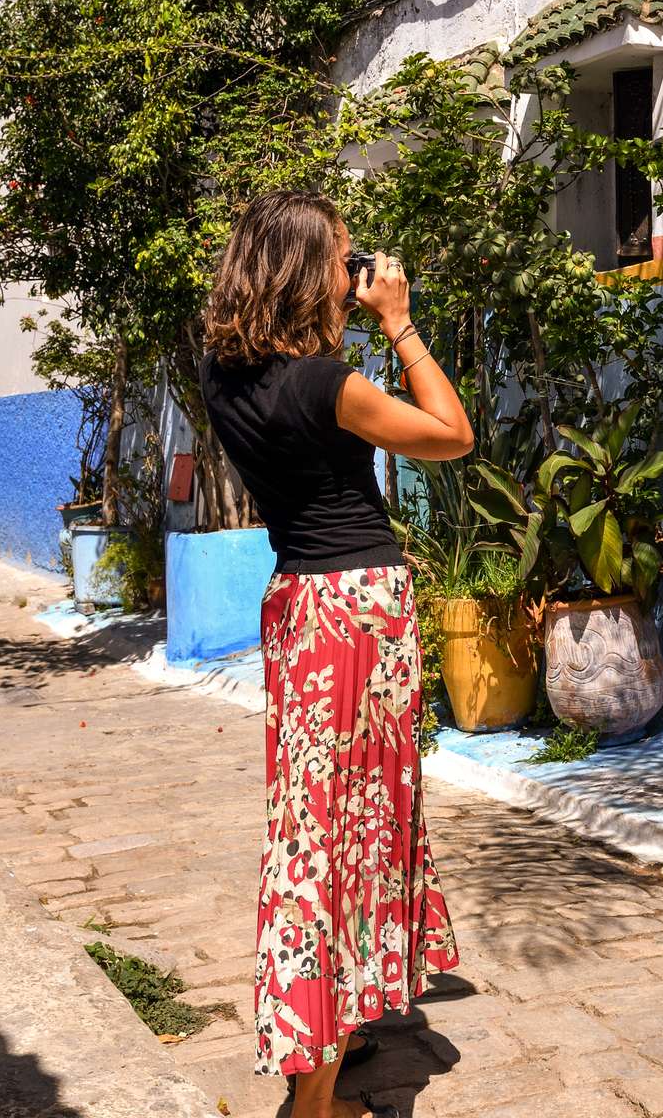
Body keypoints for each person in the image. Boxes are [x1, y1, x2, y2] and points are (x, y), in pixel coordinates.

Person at [200, 190, 473, 1118]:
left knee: (322, 826)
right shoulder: (327, 388)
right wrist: (399, 324)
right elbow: (451, 434)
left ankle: (334, 1040)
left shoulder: (221, 377)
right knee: (341, 843)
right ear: (305, 272)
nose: (353, 272)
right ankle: (311, 1102)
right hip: (358, 612)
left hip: (297, 609)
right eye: (341, 258)